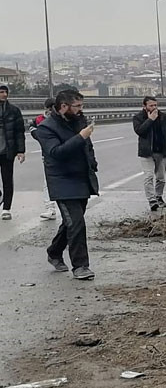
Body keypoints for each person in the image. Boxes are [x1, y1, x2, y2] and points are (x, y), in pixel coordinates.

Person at [32, 90, 98, 280]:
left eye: (81, 106)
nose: (80, 110)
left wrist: (92, 162)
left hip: (81, 178)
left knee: (71, 222)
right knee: (77, 222)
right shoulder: (46, 128)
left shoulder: (79, 121)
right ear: (63, 107)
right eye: (77, 106)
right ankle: (81, 266)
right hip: (62, 181)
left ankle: (54, 252)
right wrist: (81, 137)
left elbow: (88, 146)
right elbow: (56, 152)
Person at [132, 96, 166, 211]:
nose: (154, 108)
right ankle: (152, 200)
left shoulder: (164, 117)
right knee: (148, 176)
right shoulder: (138, 117)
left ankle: (158, 196)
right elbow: (140, 131)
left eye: (155, 105)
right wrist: (150, 120)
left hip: (161, 152)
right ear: (144, 106)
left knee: (161, 178)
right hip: (147, 153)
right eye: (151, 105)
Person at [0, 84, 26, 220]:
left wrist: (20, 150)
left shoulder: (14, 111)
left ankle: (6, 208)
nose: (4, 94)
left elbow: (19, 132)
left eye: (5, 92)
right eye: (1, 92)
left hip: (7, 151)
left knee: (7, 180)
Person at [30, 97, 58, 221]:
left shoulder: (61, 119)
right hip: (46, 155)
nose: (51, 111)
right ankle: (50, 208)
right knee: (48, 181)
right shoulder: (39, 120)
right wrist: (40, 136)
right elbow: (32, 129)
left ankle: (58, 207)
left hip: (61, 153)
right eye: (49, 108)